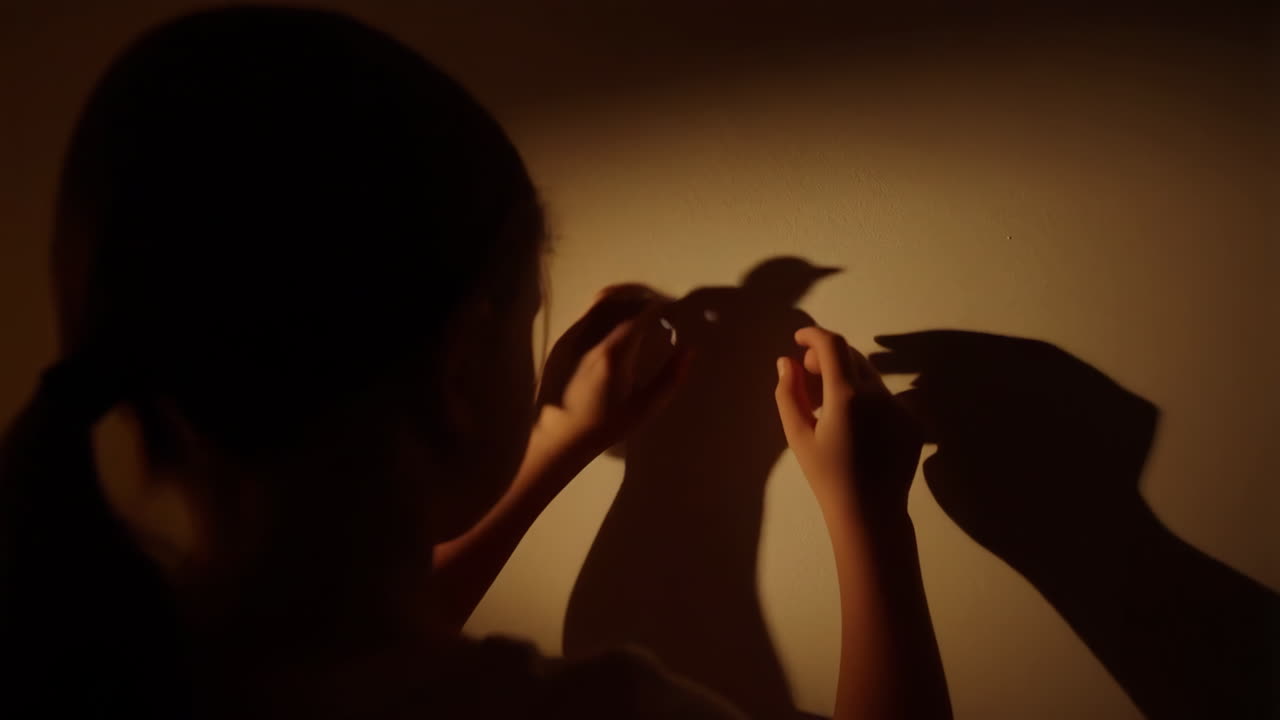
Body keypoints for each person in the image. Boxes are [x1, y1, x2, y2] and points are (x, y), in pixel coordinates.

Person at [0, 7, 951, 719]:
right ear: (457, 371)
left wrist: (553, 447)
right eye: (524, 322)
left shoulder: (87, 652)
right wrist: (872, 518)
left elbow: (357, 623)